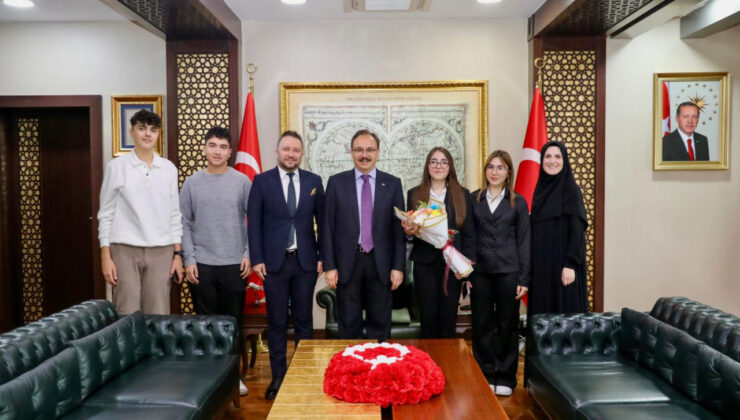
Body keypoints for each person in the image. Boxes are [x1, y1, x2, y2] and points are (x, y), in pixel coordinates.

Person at [247, 131, 325, 400]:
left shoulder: (314, 182)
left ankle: (303, 376)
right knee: (277, 323)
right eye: (286, 149)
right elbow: (254, 222)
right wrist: (257, 258)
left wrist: (322, 256)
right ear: (277, 152)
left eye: (296, 150)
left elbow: (323, 223)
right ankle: (278, 378)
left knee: (305, 322)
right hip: (273, 264)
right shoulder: (261, 181)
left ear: (301, 154)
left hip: (305, 263)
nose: (291, 154)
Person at [180, 126, 251, 396]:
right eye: (212, 145)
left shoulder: (242, 182)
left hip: (235, 264)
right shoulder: (191, 183)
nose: (217, 151)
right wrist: (189, 259)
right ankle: (209, 377)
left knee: (231, 323)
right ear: (204, 148)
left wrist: (248, 254)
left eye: (222, 146)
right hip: (202, 265)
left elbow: (253, 221)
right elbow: (184, 223)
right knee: (206, 324)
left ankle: (233, 376)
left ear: (230, 151)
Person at [98, 109, 183, 315]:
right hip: (124, 249)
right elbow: (106, 213)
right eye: (142, 128)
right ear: (132, 132)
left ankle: (152, 350)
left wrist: (177, 255)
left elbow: (174, 214)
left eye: (153, 130)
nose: (147, 133)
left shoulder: (169, 168)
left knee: (158, 314)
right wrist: (105, 256)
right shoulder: (116, 167)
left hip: (162, 250)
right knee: (126, 314)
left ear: (158, 135)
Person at [322, 129, 405, 340]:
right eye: (359, 150)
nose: (364, 155)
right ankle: (351, 371)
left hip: (381, 263)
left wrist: (398, 267)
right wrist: (330, 266)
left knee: (380, 323)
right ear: (351, 152)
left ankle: (379, 370)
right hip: (348, 263)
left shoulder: (393, 184)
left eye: (369, 150)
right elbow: (327, 228)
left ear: (378, 152)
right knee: (348, 324)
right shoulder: (336, 183)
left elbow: (398, 231)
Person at [469, 150, 530, 397]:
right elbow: (469, 238)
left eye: (501, 168)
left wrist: (524, 279)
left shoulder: (518, 201)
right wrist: (467, 273)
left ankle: (505, 376)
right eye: (491, 167)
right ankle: (484, 375)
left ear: (508, 173)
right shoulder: (474, 199)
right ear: (485, 171)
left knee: (508, 325)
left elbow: (525, 242)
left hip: (509, 273)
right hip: (480, 272)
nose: (495, 172)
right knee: (481, 324)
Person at [403, 147, 475, 338]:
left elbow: (468, 234)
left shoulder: (462, 195)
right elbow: (409, 234)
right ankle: (428, 366)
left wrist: (466, 268)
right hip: (424, 265)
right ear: (428, 166)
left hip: (452, 267)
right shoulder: (414, 194)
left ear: (450, 167)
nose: (438, 166)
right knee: (427, 319)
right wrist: (409, 233)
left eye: (443, 162)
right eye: (434, 161)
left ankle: (446, 366)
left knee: (448, 319)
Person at [528, 141, 588, 317]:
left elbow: (577, 231)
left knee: (564, 319)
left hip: (564, 267)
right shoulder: (539, 192)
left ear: (565, 161)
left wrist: (570, 264)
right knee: (542, 317)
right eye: (547, 156)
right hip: (542, 267)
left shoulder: (572, 191)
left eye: (557, 156)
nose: (552, 161)